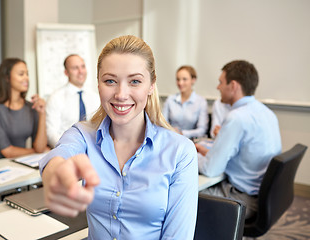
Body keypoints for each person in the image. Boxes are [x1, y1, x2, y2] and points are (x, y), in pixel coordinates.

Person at [39, 35, 198, 239]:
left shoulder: (179, 151)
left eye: (134, 81)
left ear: (151, 85)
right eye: (110, 81)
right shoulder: (83, 134)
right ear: (98, 84)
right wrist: (58, 174)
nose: (121, 94)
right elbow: (58, 157)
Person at [195, 60, 282, 219]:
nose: (218, 87)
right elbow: (241, 155)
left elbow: (211, 169)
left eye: (221, 82)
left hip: (242, 198)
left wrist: (189, 155)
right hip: (263, 197)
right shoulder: (267, 113)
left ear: (233, 85)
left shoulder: (237, 118)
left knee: (184, 194)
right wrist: (208, 152)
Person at [0, 58, 49, 160]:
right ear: (7, 78)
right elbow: (7, 152)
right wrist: (36, 152)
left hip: (19, 162)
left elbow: (40, 147)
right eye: (21, 74)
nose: (26, 78)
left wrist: (42, 113)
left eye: (27, 74)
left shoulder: (31, 107)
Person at [46, 54, 100, 148]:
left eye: (83, 67)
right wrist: (70, 148)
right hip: (66, 151)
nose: (81, 71)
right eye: (75, 68)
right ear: (66, 72)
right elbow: (51, 134)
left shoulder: (95, 97)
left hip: (93, 150)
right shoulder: (56, 98)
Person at [162, 65, 208, 139]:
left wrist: (182, 133)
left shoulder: (201, 102)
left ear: (193, 80)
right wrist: (171, 131)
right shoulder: (170, 100)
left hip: (190, 141)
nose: (180, 83)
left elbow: (202, 130)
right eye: (178, 79)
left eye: (184, 79)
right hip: (170, 138)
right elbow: (162, 123)